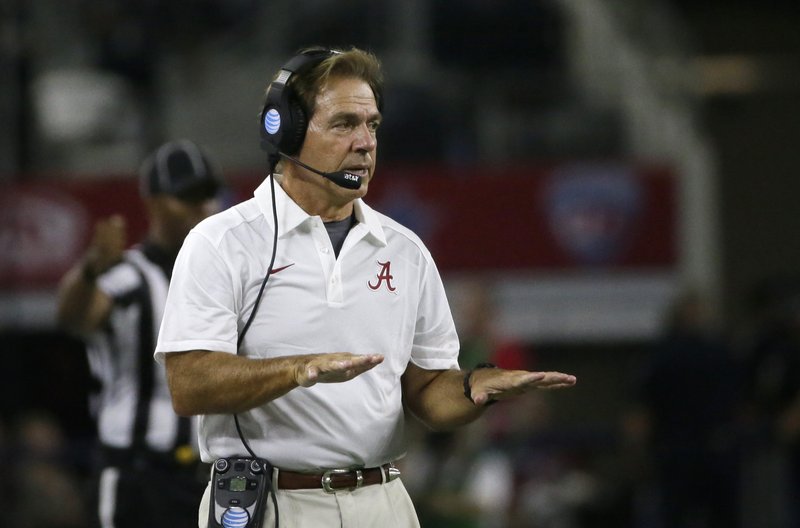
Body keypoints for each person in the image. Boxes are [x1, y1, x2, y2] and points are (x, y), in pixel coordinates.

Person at [155, 46, 577, 528]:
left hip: (383, 503)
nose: (365, 142)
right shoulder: (222, 242)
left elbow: (426, 392)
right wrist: (299, 369)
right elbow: (188, 385)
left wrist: (474, 388)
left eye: (372, 125)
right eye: (343, 124)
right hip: (271, 504)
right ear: (285, 132)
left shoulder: (406, 250)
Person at [56, 139, 224, 528]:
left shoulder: (222, 277)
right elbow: (75, 317)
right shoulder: (127, 276)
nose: (203, 208)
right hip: (137, 471)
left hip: (203, 475)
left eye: (208, 196)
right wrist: (89, 270)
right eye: (189, 197)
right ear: (153, 203)